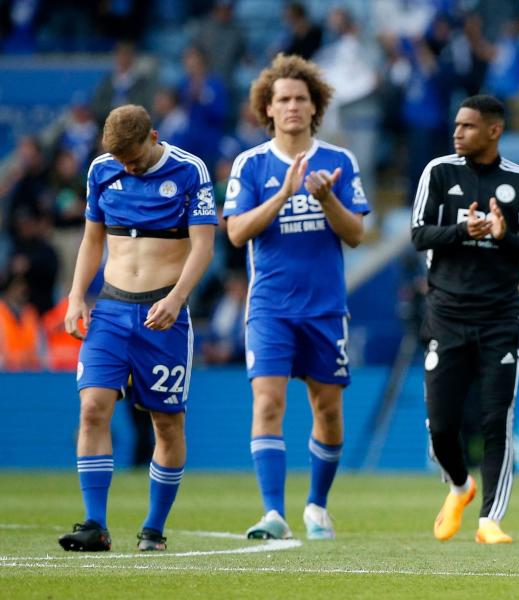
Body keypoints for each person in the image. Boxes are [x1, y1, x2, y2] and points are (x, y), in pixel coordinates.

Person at [57, 104, 217, 552]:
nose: (127, 166)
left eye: (134, 157)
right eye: (121, 160)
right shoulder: (101, 170)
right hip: (110, 308)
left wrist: (177, 298)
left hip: (162, 312)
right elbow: (92, 238)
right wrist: (75, 297)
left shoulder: (190, 170)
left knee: (166, 423)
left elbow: (203, 246)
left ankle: (153, 527)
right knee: (92, 409)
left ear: (153, 136)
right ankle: (94, 524)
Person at [224, 54, 368, 541]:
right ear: (267, 108)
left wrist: (326, 199)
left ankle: (317, 506)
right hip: (270, 307)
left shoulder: (340, 162)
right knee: (268, 402)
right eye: (282, 99)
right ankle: (273, 514)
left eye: (300, 99)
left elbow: (357, 234)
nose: (291, 107)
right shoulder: (251, 164)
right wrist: (283, 194)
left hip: (326, 307)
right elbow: (237, 233)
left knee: (327, 409)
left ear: (314, 107)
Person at [411, 94, 519, 544]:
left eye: (468, 126)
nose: (457, 133)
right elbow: (418, 234)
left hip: (499, 318)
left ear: (494, 131)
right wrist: (460, 231)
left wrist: (505, 235)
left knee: (495, 420)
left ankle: (490, 519)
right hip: (446, 314)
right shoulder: (438, 172)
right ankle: (459, 486)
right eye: (456, 125)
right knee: (441, 426)